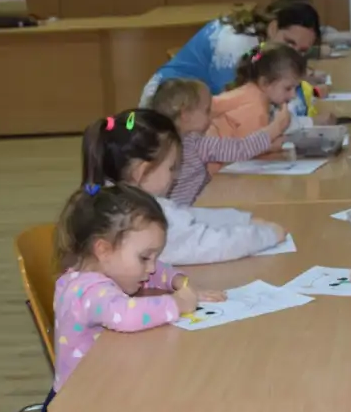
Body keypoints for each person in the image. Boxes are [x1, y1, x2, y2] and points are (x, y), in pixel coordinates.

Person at [82, 110, 286, 264]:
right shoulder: (140, 219)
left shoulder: (118, 198)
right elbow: (210, 246)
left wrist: (242, 219)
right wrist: (266, 235)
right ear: (141, 172)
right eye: (172, 168)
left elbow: (188, 216)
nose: (176, 175)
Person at [139, 1, 322, 108]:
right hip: (166, 107)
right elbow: (237, 103)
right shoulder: (236, 43)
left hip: (198, 108)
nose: (293, 54)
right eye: (289, 43)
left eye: (302, 51)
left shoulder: (263, 44)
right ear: (273, 28)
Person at [150, 77, 290, 205]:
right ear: (185, 116)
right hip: (185, 216)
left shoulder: (159, 144)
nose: (211, 117)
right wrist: (276, 127)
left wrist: (268, 146)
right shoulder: (195, 144)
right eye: (206, 111)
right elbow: (240, 149)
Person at [206, 44, 310, 167]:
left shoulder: (249, 92)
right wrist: (277, 140)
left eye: (295, 88)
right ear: (264, 83)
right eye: (288, 88)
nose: (293, 95)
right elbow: (248, 153)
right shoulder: (255, 106)